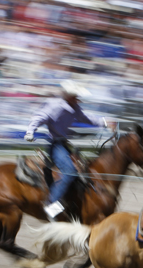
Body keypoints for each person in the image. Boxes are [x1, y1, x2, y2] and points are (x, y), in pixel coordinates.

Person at [24, 80, 106, 220]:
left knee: (82, 169)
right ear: (69, 96)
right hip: (55, 144)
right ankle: (51, 204)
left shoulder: (74, 107)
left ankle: (70, 201)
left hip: (63, 144)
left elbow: (86, 118)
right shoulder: (56, 106)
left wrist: (103, 122)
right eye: (76, 96)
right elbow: (40, 117)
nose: (78, 99)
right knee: (70, 171)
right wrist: (30, 131)